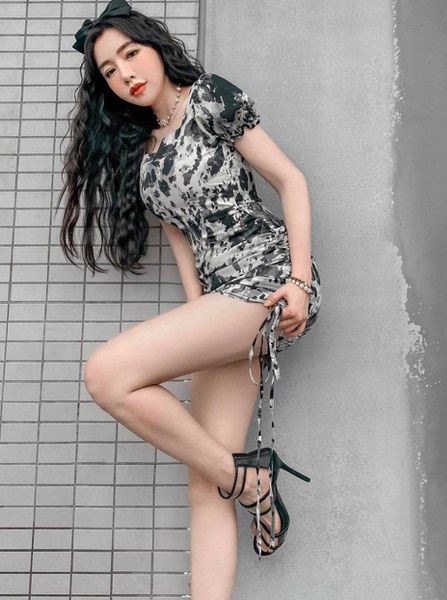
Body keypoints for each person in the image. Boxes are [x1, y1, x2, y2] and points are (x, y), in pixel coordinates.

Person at [59, 0, 322, 597]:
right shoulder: (144, 152)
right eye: (109, 70)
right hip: (220, 305)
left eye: (131, 53)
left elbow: (291, 180)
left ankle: (249, 481)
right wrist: (197, 325)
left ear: (155, 47)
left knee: (106, 374)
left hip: (267, 278)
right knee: (206, 483)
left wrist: (300, 283)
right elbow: (185, 247)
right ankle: (248, 483)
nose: (126, 73)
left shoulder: (209, 98)